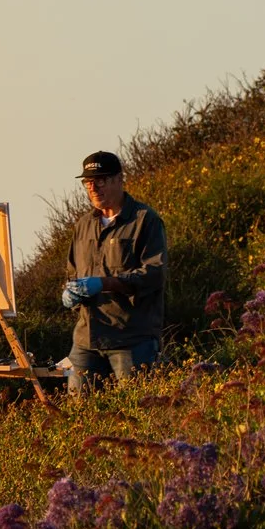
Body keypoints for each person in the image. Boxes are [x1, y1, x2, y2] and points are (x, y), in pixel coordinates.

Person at [59, 150, 168, 391]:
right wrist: (71, 293)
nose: (94, 188)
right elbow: (72, 271)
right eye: (88, 182)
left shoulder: (144, 220)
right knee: (79, 417)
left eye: (101, 180)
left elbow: (154, 273)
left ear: (120, 179)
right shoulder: (83, 225)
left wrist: (106, 283)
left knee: (137, 413)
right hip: (86, 339)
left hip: (131, 340)